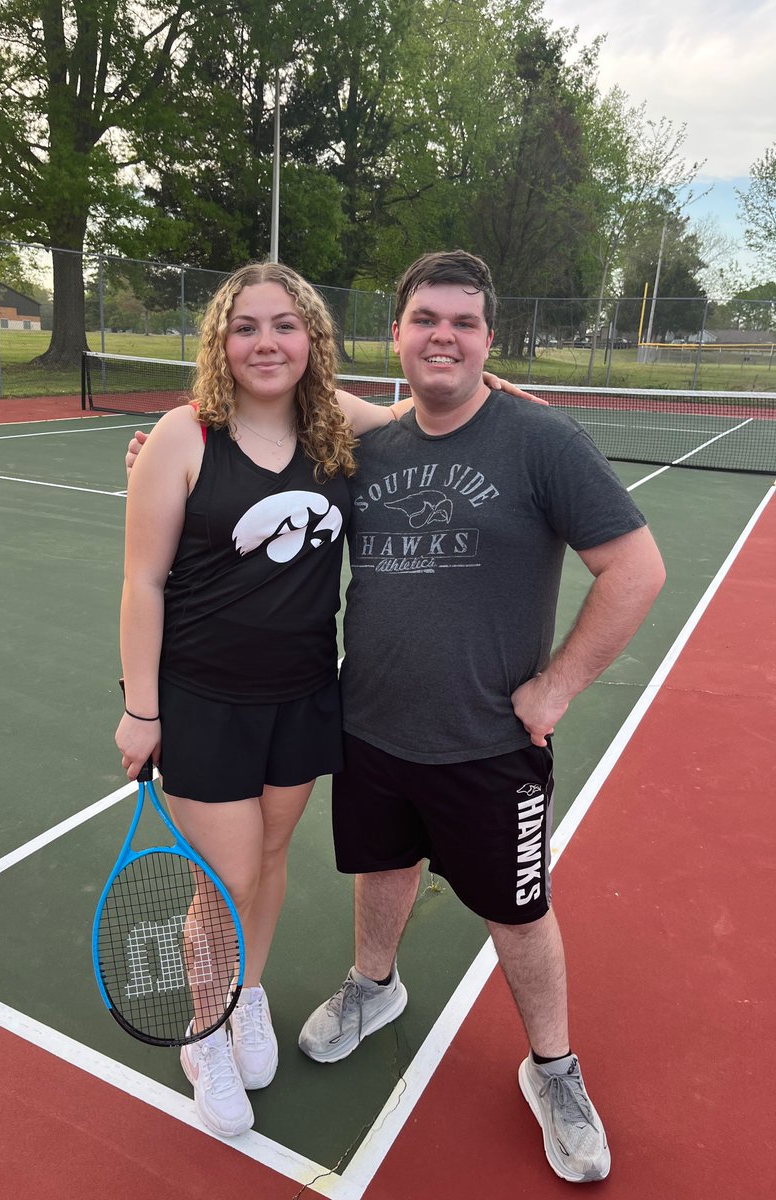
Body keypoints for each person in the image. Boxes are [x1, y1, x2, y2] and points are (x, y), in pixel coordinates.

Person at [116, 259, 536, 1139]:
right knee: (222, 879)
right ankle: (206, 1033)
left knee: (267, 863)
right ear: (220, 342)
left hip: (305, 695)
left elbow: (427, 421)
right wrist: (142, 708)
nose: (266, 343)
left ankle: (247, 995)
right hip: (203, 701)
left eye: (284, 325)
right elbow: (143, 581)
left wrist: (484, 387)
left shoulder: (340, 425)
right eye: (245, 327)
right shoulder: (182, 436)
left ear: (313, 338)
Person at [293, 250, 666, 1184]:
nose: (443, 336)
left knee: (518, 912)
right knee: (382, 868)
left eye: (462, 322)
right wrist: (171, 440)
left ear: (488, 338)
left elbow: (637, 569)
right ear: (400, 335)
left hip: (490, 746)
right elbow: (292, 405)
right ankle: (371, 989)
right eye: (425, 319)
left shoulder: (540, 441)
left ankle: (554, 1070)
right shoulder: (372, 448)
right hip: (373, 729)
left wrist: (559, 687)